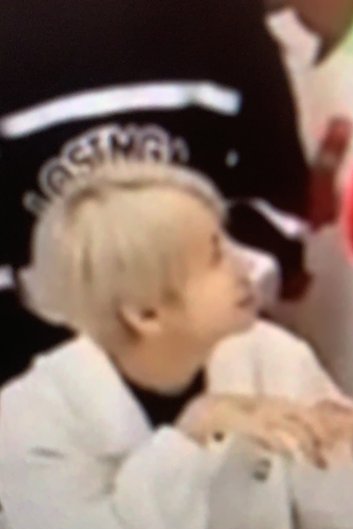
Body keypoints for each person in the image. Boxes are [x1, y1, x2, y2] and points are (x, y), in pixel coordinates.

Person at [0, 159, 353, 529]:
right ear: (145, 313)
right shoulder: (33, 414)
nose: (246, 265)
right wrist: (190, 436)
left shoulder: (273, 356)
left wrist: (337, 454)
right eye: (215, 256)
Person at [0, 0, 312, 388]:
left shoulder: (225, 18)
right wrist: (64, 353)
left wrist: (209, 308)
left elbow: (281, 196)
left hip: (222, 354)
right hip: (39, 367)